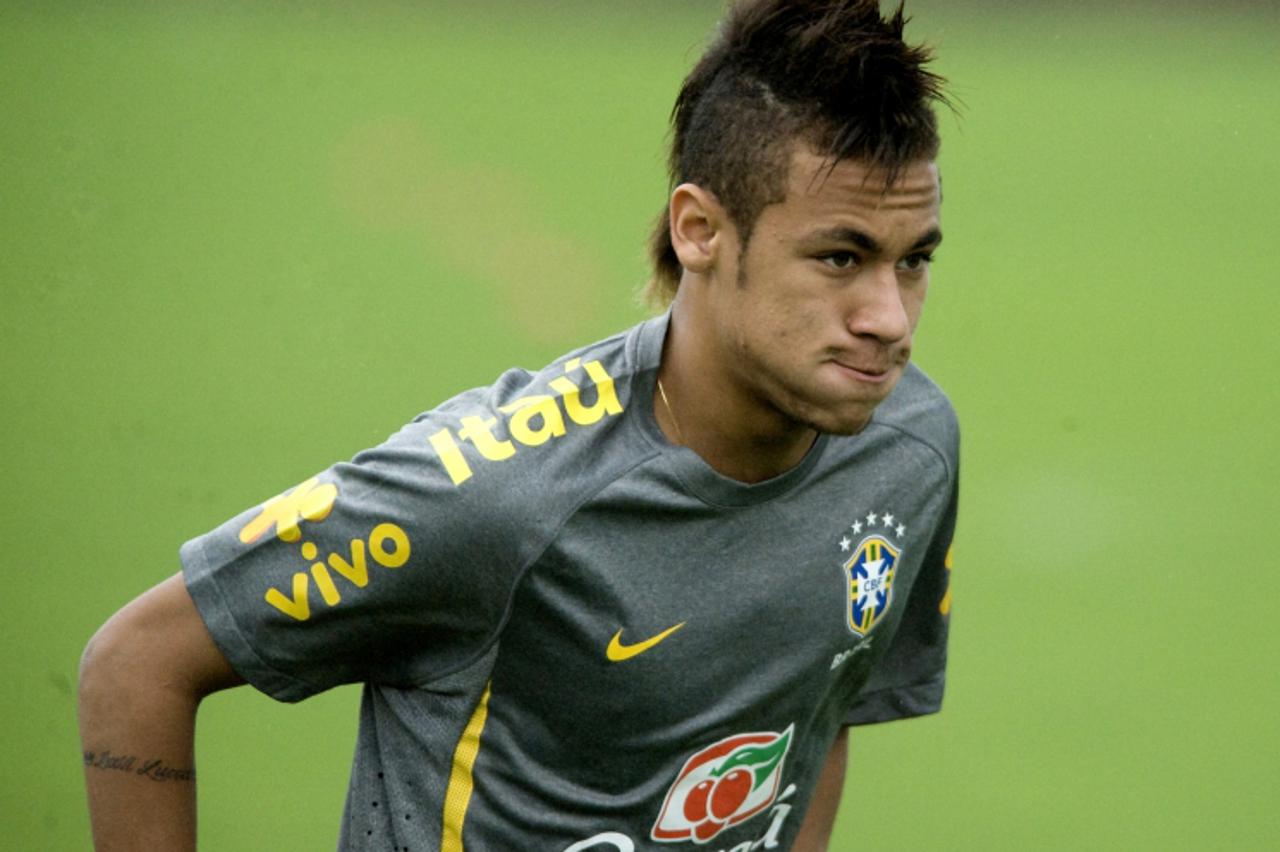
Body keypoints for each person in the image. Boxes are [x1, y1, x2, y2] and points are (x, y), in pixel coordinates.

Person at [78, 1, 958, 849]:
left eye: (913, 260)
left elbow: (824, 702)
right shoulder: (495, 496)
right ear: (700, 231)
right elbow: (136, 667)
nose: (889, 317)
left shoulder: (907, 449)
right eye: (840, 257)